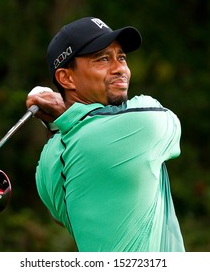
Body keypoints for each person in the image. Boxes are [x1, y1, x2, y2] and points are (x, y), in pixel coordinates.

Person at [26, 17, 185, 252]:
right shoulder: (142, 124)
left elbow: (62, 218)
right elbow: (171, 122)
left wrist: (62, 118)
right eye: (102, 59)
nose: (120, 68)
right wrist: (65, 115)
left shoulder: (47, 164)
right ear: (66, 78)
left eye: (121, 57)